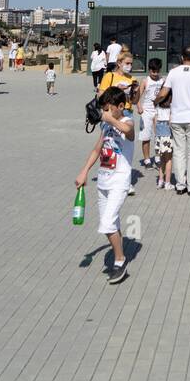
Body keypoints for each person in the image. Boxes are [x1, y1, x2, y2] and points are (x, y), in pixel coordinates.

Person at [75, 87, 134, 285]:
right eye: (104, 110)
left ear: (120, 106)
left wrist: (110, 119)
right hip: (103, 180)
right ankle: (120, 253)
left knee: (107, 222)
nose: (105, 112)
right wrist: (84, 171)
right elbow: (96, 149)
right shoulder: (105, 127)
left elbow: (128, 132)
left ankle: (120, 261)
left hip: (119, 180)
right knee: (112, 221)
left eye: (109, 109)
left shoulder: (127, 121)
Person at [157, 45, 190, 195]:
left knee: (179, 151)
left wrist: (154, 101)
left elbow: (163, 93)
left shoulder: (173, 72)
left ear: (181, 58)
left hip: (176, 118)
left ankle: (180, 185)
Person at [97, 50, 142, 193]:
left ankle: (126, 181)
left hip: (126, 113)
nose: (129, 66)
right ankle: (108, 176)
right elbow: (101, 97)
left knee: (125, 149)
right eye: (127, 63)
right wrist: (117, 89)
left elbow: (134, 101)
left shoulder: (131, 79)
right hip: (110, 114)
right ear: (119, 63)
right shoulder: (109, 76)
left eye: (131, 64)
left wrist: (137, 91)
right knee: (110, 146)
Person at [137, 58, 163, 168]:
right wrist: (139, 106)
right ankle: (147, 159)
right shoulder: (145, 81)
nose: (155, 74)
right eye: (153, 71)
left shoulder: (162, 80)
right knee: (146, 136)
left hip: (158, 111)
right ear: (149, 70)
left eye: (157, 71)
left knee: (159, 136)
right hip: (146, 111)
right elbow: (138, 95)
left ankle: (157, 157)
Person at [153, 86, 174, 189]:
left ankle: (160, 181)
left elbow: (155, 120)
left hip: (159, 134)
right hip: (168, 134)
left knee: (161, 158)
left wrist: (156, 133)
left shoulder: (157, 105)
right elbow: (170, 122)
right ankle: (167, 182)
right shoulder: (172, 106)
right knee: (169, 159)